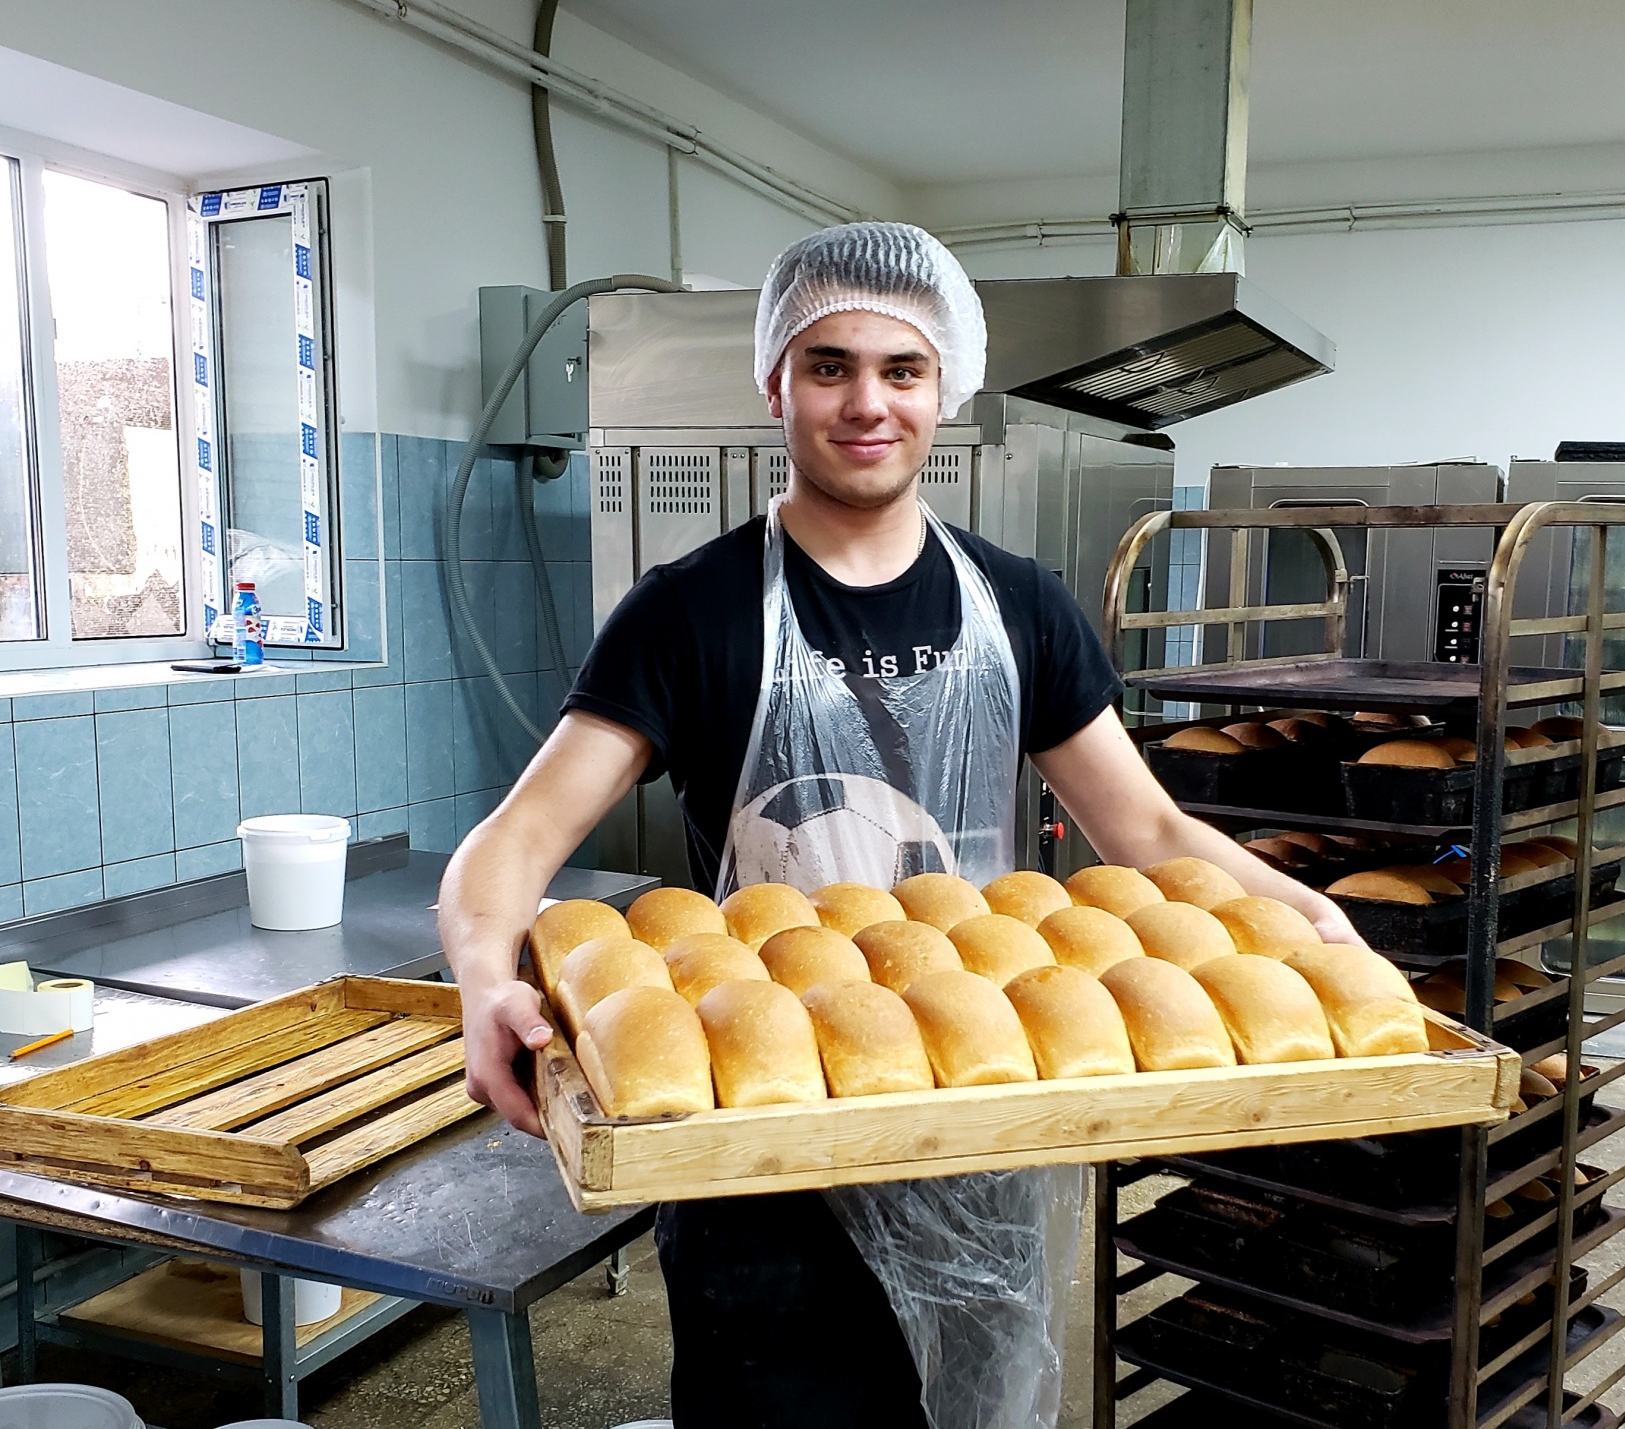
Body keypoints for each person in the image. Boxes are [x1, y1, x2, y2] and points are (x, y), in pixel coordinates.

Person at [440, 222, 1367, 1429]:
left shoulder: (1021, 606)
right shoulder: (687, 614)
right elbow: (513, 844)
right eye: (828, 366)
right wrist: (477, 978)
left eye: (901, 370)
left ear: (948, 390)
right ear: (774, 382)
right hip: (760, 1143)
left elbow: (1143, 827)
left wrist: (1299, 917)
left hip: (974, 1110)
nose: (866, 401)